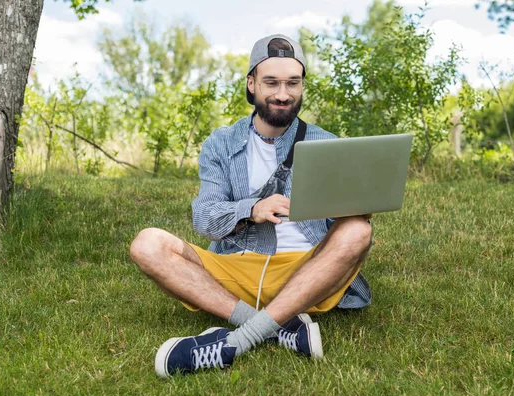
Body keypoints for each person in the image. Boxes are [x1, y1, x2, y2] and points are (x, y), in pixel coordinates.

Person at [129, 34, 373, 377]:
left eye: (293, 83)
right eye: (271, 82)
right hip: (234, 271)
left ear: (302, 86)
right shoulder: (221, 142)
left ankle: (235, 342)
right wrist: (250, 209)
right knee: (147, 243)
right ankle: (275, 328)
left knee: (359, 230)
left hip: (306, 274)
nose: (283, 94)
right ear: (251, 84)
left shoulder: (327, 143)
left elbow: (344, 233)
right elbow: (204, 217)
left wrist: (357, 208)